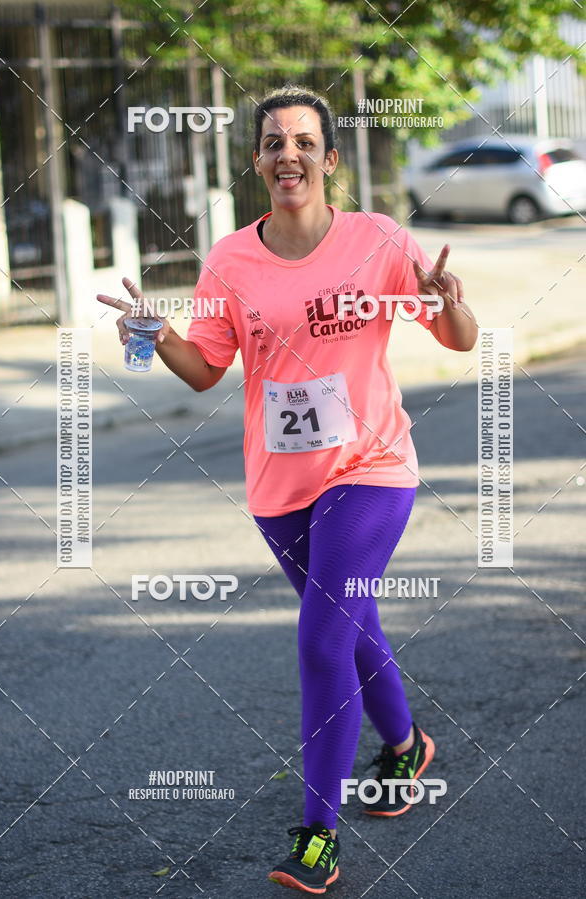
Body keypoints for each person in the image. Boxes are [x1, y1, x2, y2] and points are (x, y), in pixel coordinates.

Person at [97, 84, 478, 895]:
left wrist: (453, 307)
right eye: (274, 142)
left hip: (371, 469)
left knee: (320, 639)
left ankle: (318, 834)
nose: (288, 155)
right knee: (350, 622)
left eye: (305, 141)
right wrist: (155, 330)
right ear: (258, 161)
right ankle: (407, 745)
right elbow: (206, 370)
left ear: (330, 159)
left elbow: (453, 333)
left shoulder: (376, 240)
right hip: (280, 486)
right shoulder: (230, 260)